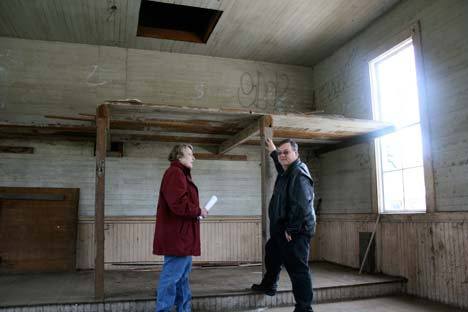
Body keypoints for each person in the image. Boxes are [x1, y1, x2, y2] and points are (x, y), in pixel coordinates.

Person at [251, 138, 316, 312]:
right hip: (282, 229)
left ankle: (304, 308)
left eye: (286, 152)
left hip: (296, 232)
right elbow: (280, 165)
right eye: (280, 153)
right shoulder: (288, 172)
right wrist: (273, 152)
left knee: (298, 270)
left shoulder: (299, 174)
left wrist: (292, 229)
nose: (282, 155)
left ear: (296, 153)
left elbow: (303, 205)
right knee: (272, 254)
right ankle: (269, 285)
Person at [153, 144, 208, 312]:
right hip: (178, 238)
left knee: (182, 279)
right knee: (171, 279)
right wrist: (198, 210)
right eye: (190, 154)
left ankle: (184, 309)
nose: (193, 157)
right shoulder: (175, 173)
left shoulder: (180, 174)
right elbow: (178, 204)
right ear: (179, 156)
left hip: (182, 237)